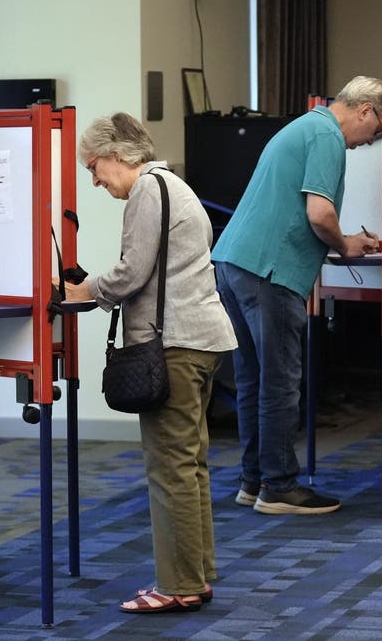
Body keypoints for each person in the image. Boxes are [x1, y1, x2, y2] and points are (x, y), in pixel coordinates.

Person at [64, 113, 236, 613]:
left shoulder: (147, 190)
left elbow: (132, 271)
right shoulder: (176, 186)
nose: (94, 180)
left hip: (175, 345)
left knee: (170, 469)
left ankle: (179, 585)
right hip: (201, 341)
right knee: (191, 465)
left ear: (118, 155)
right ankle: (195, 575)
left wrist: (85, 290)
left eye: (94, 167)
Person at [211, 76, 382, 515]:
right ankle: (279, 486)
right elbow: (319, 211)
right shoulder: (328, 136)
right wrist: (346, 244)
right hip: (270, 271)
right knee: (280, 382)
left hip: (235, 263)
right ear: (365, 110)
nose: (372, 142)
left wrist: (342, 238)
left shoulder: (306, 125)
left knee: (252, 379)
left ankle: (253, 481)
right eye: (378, 131)